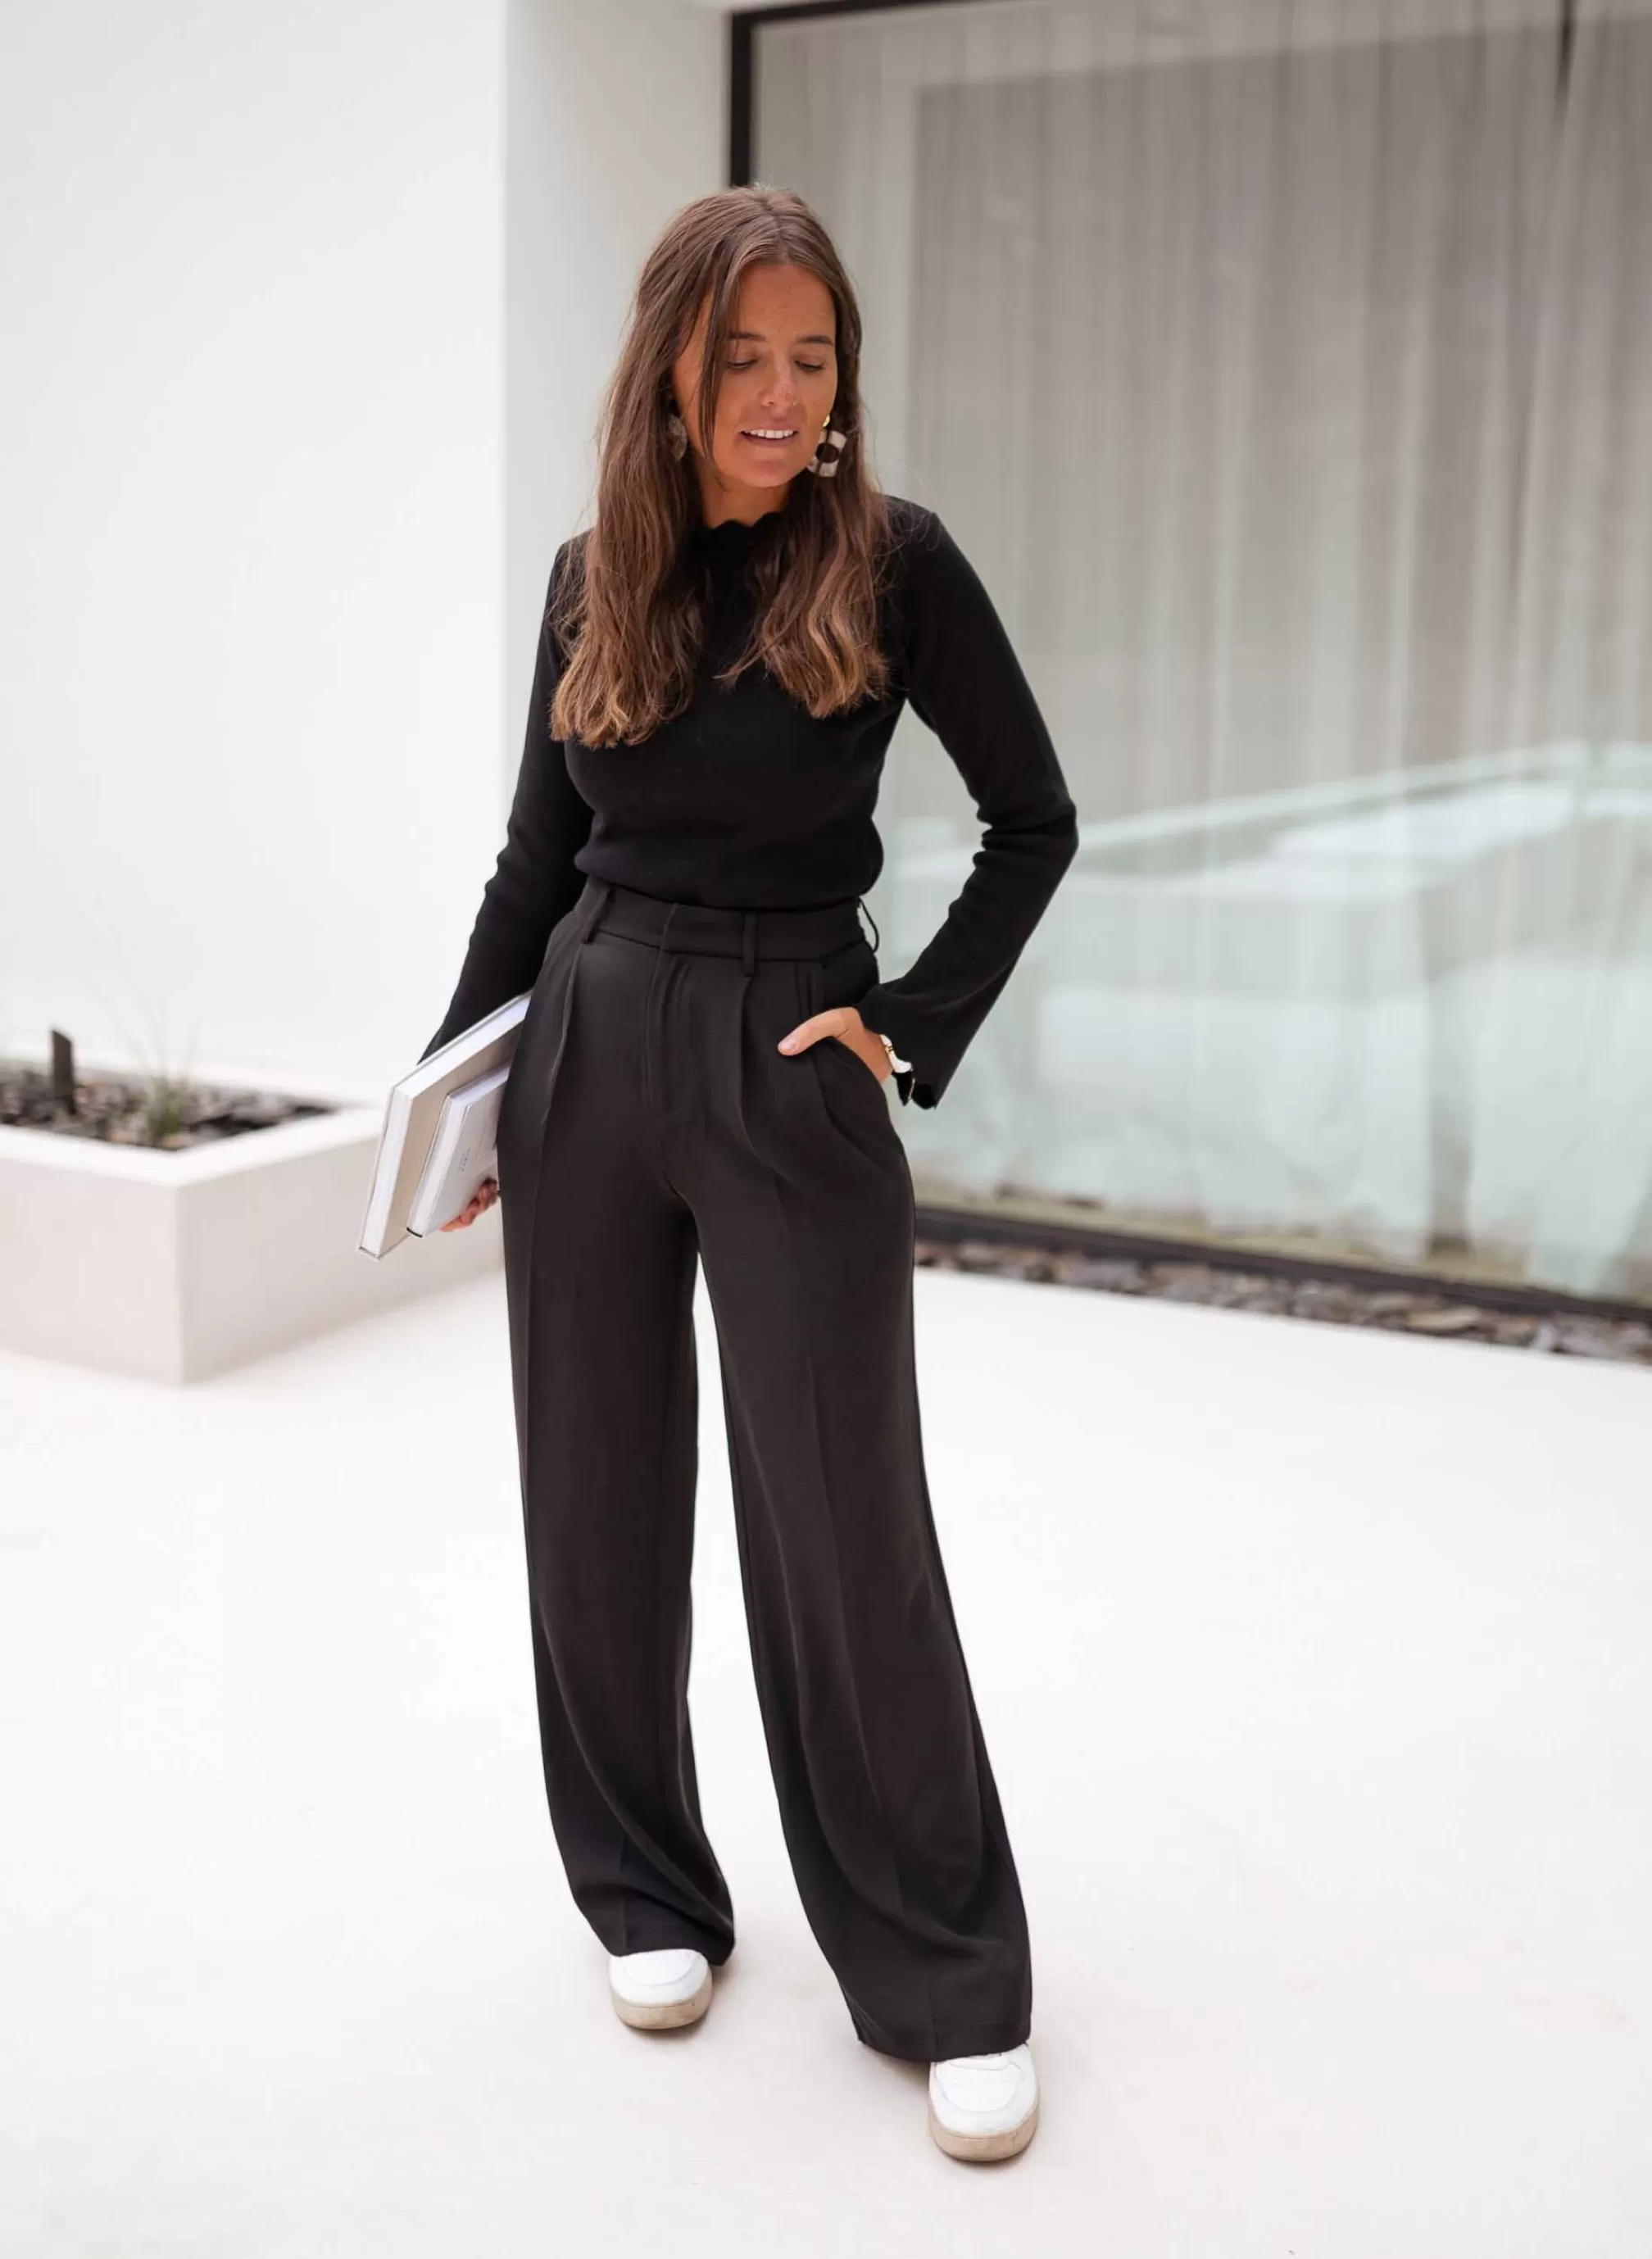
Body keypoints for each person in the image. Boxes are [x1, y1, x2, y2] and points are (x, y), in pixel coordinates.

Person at [421, 185, 1078, 2164]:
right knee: (593, 1494)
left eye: (815, 358)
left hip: (794, 1048)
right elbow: (535, 862)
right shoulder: (591, 576)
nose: (784, 396)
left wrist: (911, 1020)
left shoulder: (895, 562)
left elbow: (1034, 819)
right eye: (744, 360)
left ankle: (945, 1970)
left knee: (844, 1521)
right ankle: (643, 1888)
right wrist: (455, 1087)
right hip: (590, 1038)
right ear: (672, 374)